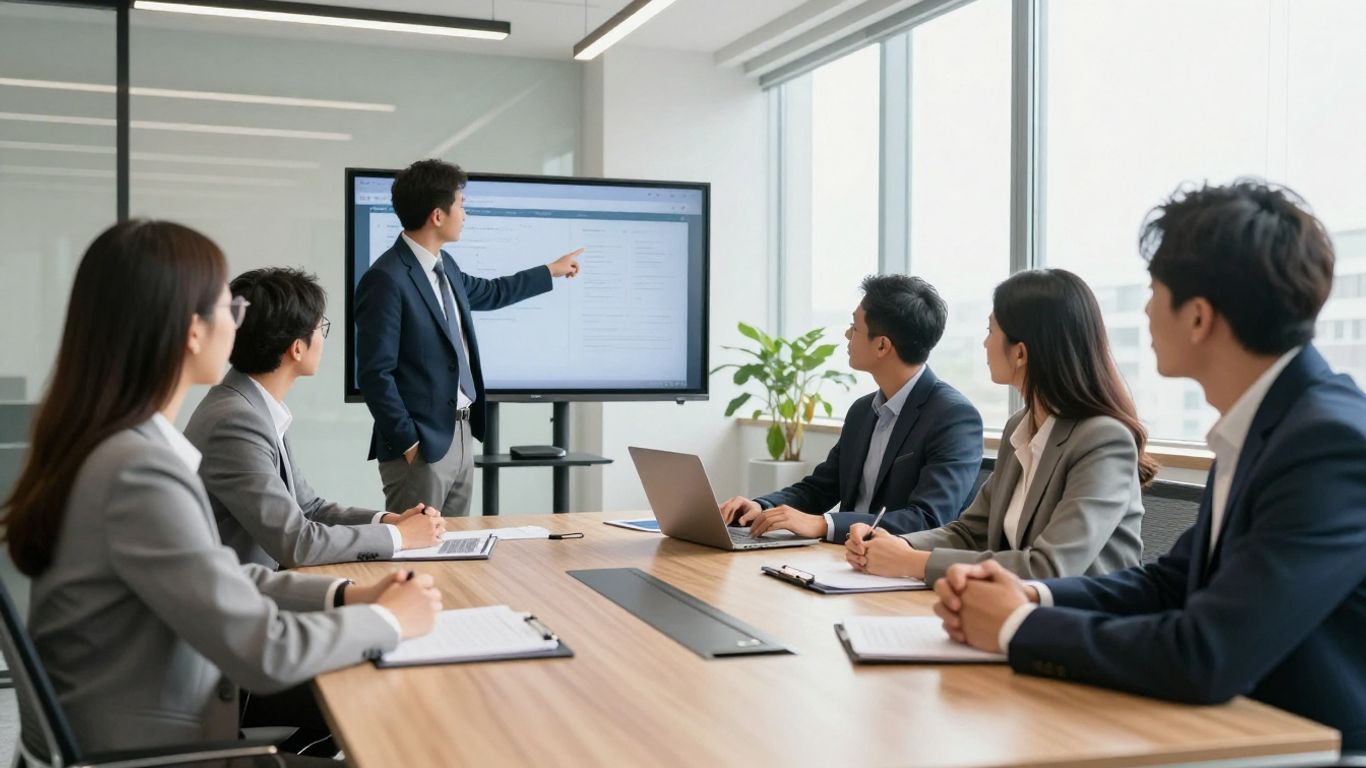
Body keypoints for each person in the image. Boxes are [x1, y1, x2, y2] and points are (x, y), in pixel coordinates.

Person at [934, 180, 1366, 753]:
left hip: (1296, 743)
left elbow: (1206, 652)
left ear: (1198, 317)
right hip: (1232, 726)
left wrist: (1016, 627)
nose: (1143, 309)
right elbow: (1172, 582)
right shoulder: (1269, 421)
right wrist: (1033, 597)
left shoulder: (1327, 442)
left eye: (1155, 290)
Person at [1, 221, 442, 765]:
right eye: (227, 310)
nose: (237, 326)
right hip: (171, 746)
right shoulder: (137, 472)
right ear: (191, 331)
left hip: (158, 718)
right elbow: (264, 651)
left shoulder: (115, 448)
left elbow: (220, 574)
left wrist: (347, 596)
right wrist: (392, 620)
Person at [846, 269, 1153, 584]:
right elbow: (969, 532)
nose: (984, 343)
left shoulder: (1103, 439)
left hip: (1086, 621)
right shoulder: (1020, 427)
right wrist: (898, 544)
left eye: (991, 330)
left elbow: (1049, 568)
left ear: (1020, 352)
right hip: (1018, 611)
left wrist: (912, 562)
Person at [356, 159, 584, 517]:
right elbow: (373, 374)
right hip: (421, 446)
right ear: (437, 215)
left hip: (460, 435)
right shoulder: (386, 278)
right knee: (418, 555)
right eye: (461, 205)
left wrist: (550, 271)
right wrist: (409, 443)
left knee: (455, 554)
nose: (466, 213)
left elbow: (493, 292)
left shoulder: (446, 268)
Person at [185, 267, 445, 569]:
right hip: (245, 599)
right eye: (321, 327)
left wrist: (389, 521)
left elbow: (309, 507)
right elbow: (297, 543)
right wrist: (399, 537)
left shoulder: (252, 405)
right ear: (297, 348)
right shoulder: (236, 422)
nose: (323, 336)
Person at [719, 275, 983, 542]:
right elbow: (820, 489)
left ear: (882, 345)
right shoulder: (862, 411)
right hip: (841, 561)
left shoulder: (953, 416)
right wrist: (762, 507)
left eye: (854, 328)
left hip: (896, 571)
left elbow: (927, 518)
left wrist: (825, 525)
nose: (847, 334)